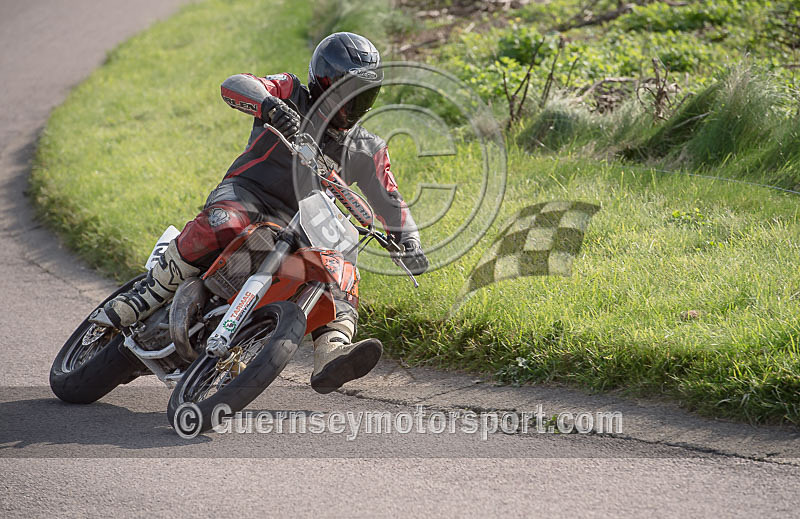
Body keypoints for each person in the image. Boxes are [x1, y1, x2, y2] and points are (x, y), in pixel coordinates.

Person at [91, 32, 428, 393]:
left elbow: (392, 198)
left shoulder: (368, 147)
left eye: (363, 94)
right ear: (323, 83)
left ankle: (332, 353)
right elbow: (237, 84)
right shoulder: (290, 92)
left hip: (303, 224)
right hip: (247, 193)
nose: (353, 103)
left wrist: (408, 239)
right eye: (346, 91)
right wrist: (269, 106)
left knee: (340, 271)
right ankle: (147, 293)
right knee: (226, 222)